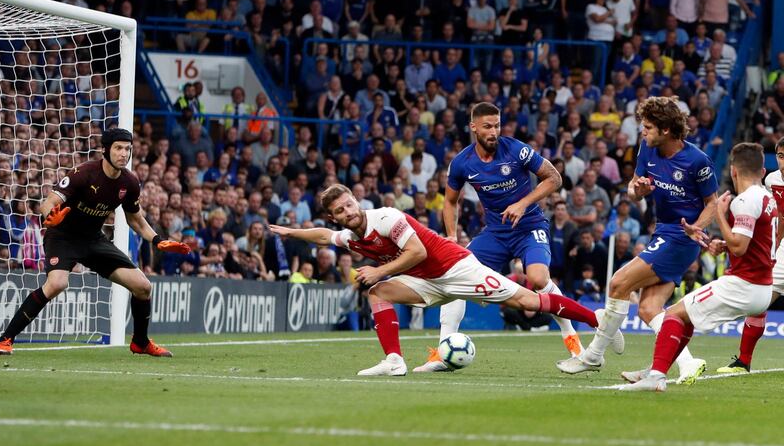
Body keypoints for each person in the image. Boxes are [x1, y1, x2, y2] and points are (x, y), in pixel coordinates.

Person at [270, 184, 618, 376]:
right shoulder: (350, 236)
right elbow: (322, 237)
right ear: (335, 217)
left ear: (356, 201)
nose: (348, 212)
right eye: (340, 212)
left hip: (456, 269)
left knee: (529, 300)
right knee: (378, 293)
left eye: (349, 205)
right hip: (427, 282)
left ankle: (596, 318)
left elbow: (418, 252)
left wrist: (379, 269)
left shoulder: (387, 218)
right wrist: (290, 232)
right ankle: (394, 361)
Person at [413, 101, 617, 373]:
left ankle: (576, 346)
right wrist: (451, 235)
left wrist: (523, 203)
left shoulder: (516, 150)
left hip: (529, 226)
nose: (493, 132)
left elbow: (554, 178)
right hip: (496, 233)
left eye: (497, 125)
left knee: (539, 279)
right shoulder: (462, 162)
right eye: (487, 126)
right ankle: (442, 351)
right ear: (473, 127)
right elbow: (450, 201)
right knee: (455, 272)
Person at [557, 96, 719, 385]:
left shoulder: (697, 160)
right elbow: (633, 187)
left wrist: (696, 227)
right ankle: (687, 362)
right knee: (648, 309)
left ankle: (593, 354)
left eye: (647, 127)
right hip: (663, 231)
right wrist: (638, 191)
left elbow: (713, 203)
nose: (642, 132)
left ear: (666, 130)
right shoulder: (647, 148)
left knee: (618, 282)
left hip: (682, 237)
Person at [0, 129, 191, 357]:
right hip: (63, 236)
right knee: (57, 284)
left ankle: (140, 342)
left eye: (127, 149)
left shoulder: (129, 182)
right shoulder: (83, 174)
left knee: (143, 286)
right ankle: (6, 339)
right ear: (105, 150)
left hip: (93, 240)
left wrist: (157, 240)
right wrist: (50, 216)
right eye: (118, 148)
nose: (124, 153)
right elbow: (49, 202)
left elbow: (135, 219)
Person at [622, 143, 776, 391]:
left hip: (743, 285)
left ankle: (656, 377)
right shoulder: (767, 198)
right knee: (687, 318)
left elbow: (739, 247)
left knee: (672, 314)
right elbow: (752, 243)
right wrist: (724, 244)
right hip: (762, 289)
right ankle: (655, 368)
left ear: (734, 171)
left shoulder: (745, 200)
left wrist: (721, 216)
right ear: (763, 171)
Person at [715, 137, 784, 374]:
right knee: (761, 302)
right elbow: (772, 215)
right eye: (781, 156)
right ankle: (744, 361)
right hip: (780, 247)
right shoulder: (771, 180)